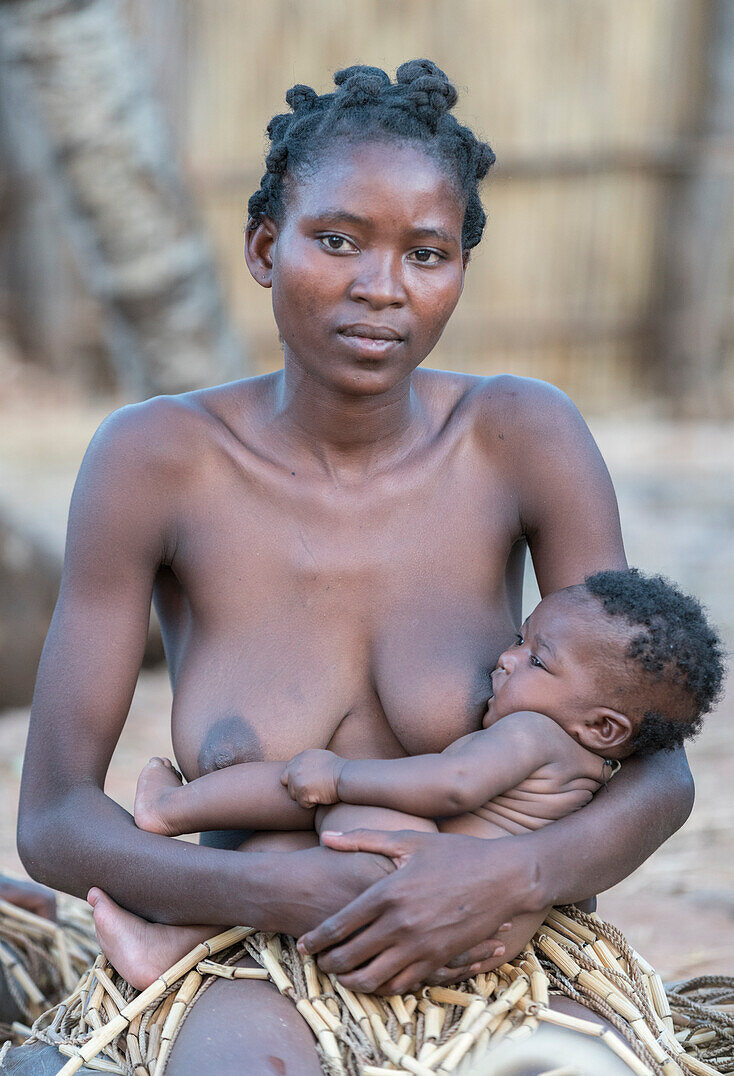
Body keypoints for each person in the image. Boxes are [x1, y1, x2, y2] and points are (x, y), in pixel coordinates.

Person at [8, 60, 697, 1075]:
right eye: (336, 241)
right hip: (251, 959)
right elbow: (57, 815)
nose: (380, 288)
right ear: (263, 247)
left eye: (426, 252)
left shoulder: (520, 437)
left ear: (460, 268)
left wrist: (504, 875)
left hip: (496, 953)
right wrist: (275, 895)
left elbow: (655, 763)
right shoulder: (156, 460)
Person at [89, 567, 722, 989]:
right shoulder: (589, 766)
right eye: (518, 639)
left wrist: (342, 775)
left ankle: (170, 812)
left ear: (607, 727)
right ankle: (169, 945)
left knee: (299, 792)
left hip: (420, 896)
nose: (505, 659)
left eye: (535, 658)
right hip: (475, 931)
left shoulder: (531, 733)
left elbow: (454, 785)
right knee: (280, 850)